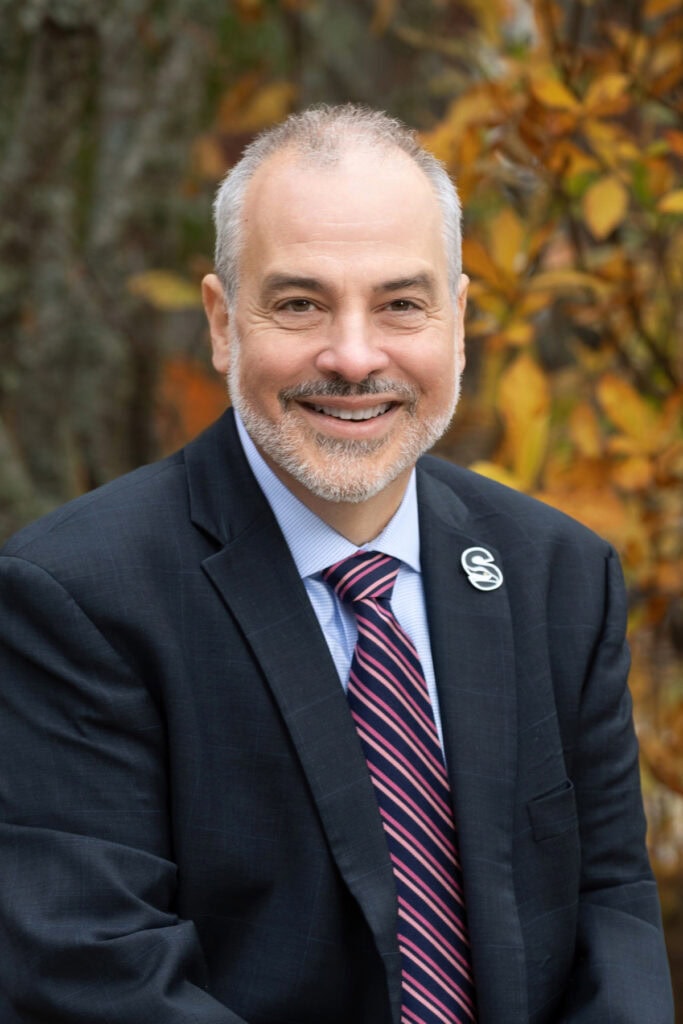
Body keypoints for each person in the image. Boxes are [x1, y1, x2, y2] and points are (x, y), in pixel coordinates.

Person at [0, 104, 673, 1024]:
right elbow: (95, 977)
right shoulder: (75, 597)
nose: (353, 357)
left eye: (401, 304)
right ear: (222, 322)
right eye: (299, 303)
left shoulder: (558, 575)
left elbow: (610, 919)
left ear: (459, 321)